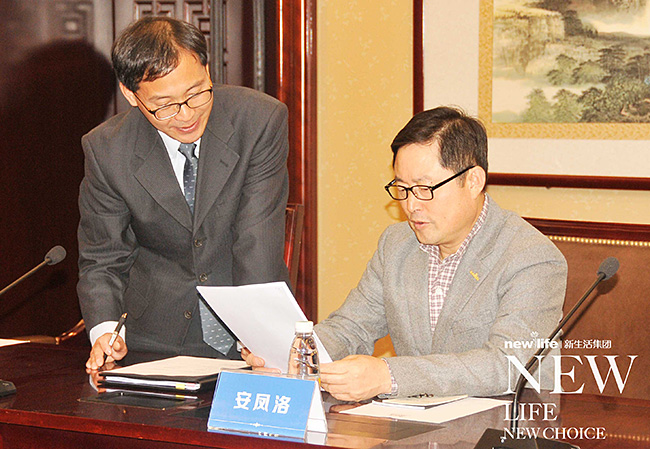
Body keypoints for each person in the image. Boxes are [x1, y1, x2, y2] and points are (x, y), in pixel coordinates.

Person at [244, 106, 566, 401]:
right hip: (414, 426)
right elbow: (351, 327)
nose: (411, 206)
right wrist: (295, 352)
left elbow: (507, 364)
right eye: (402, 189)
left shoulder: (531, 257)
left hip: (508, 425)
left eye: (425, 189)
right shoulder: (397, 245)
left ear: (473, 181)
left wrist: (389, 376)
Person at [79, 16, 289, 370]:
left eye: (196, 93)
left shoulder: (258, 120)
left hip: (247, 333)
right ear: (131, 94)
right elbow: (103, 257)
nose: (186, 115)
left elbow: (257, 242)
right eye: (165, 105)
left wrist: (259, 335)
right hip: (150, 340)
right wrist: (105, 330)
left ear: (207, 69)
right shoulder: (107, 149)